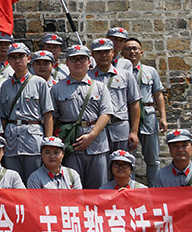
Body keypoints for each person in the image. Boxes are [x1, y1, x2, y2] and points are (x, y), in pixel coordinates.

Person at [51, 45, 114, 190]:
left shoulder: (100, 87)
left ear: (89, 62)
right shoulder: (57, 88)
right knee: (72, 187)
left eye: (82, 59)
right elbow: (53, 118)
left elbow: (106, 114)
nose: (78, 62)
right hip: (71, 145)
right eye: (74, 59)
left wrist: (91, 136)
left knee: (98, 189)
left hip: (97, 144)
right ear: (67, 63)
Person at [0, 42, 54, 183]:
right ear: (8, 61)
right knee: (12, 181)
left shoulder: (39, 82)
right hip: (11, 139)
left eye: (21, 56)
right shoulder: (5, 85)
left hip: (32, 139)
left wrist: (48, 142)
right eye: (13, 57)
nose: (17, 61)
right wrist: (1, 141)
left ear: (28, 58)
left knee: (34, 179)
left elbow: (48, 114)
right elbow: (2, 117)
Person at [122, 37, 168, 183]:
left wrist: (163, 117)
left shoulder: (150, 71)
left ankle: (154, 188)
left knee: (152, 157)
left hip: (148, 116)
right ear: (122, 53)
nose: (132, 51)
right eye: (128, 49)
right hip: (128, 116)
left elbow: (158, 94)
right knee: (128, 157)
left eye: (135, 48)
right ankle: (130, 188)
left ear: (141, 52)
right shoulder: (119, 72)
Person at [90, 38, 141, 153]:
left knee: (122, 162)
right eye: (99, 52)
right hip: (96, 129)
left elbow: (134, 103)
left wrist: (134, 132)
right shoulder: (87, 77)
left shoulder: (126, 76)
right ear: (93, 55)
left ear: (113, 52)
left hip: (120, 128)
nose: (103, 55)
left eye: (106, 52)